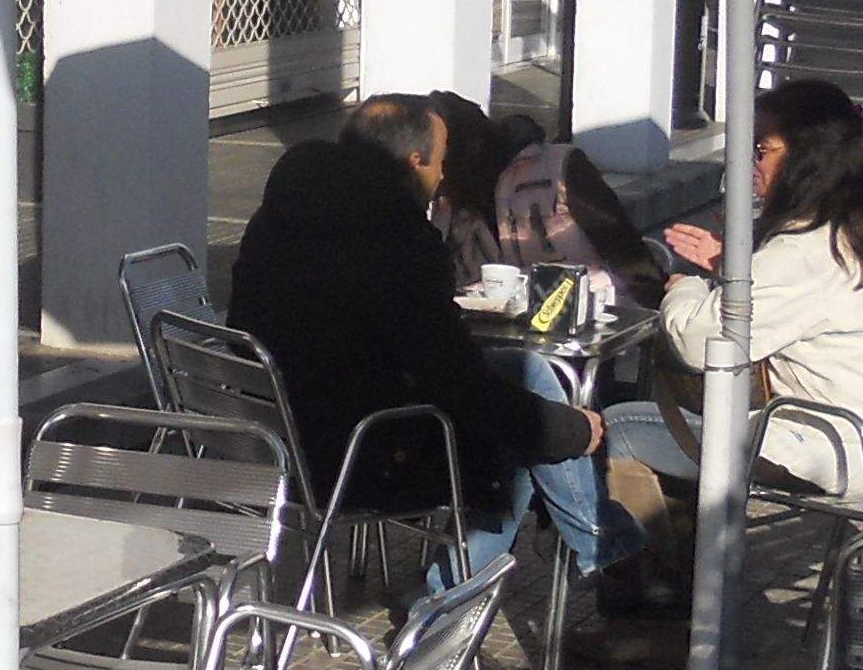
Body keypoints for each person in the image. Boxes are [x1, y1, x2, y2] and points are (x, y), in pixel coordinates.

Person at [229, 95, 608, 588]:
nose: (446, 176)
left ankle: (610, 550)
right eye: (443, 161)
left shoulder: (277, 217)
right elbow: (455, 385)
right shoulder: (397, 243)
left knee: (526, 373)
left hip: (271, 437)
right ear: (416, 162)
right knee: (509, 442)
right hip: (356, 454)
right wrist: (570, 431)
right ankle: (441, 613)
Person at [619, 77, 863, 500]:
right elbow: (803, 296)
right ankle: (674, 554)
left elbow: (698, 342)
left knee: (618, 429)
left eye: (761, 149)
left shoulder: (805, 252)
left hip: (816, 450)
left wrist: (682, 286)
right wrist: (730, 264)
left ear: (807, 157)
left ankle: (652, 562)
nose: (750, 161)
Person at [425, 91, 671, 312]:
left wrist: (663, 309)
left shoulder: (558, 168)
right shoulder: (450, 198)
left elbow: (623, 246)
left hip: (582, 316)